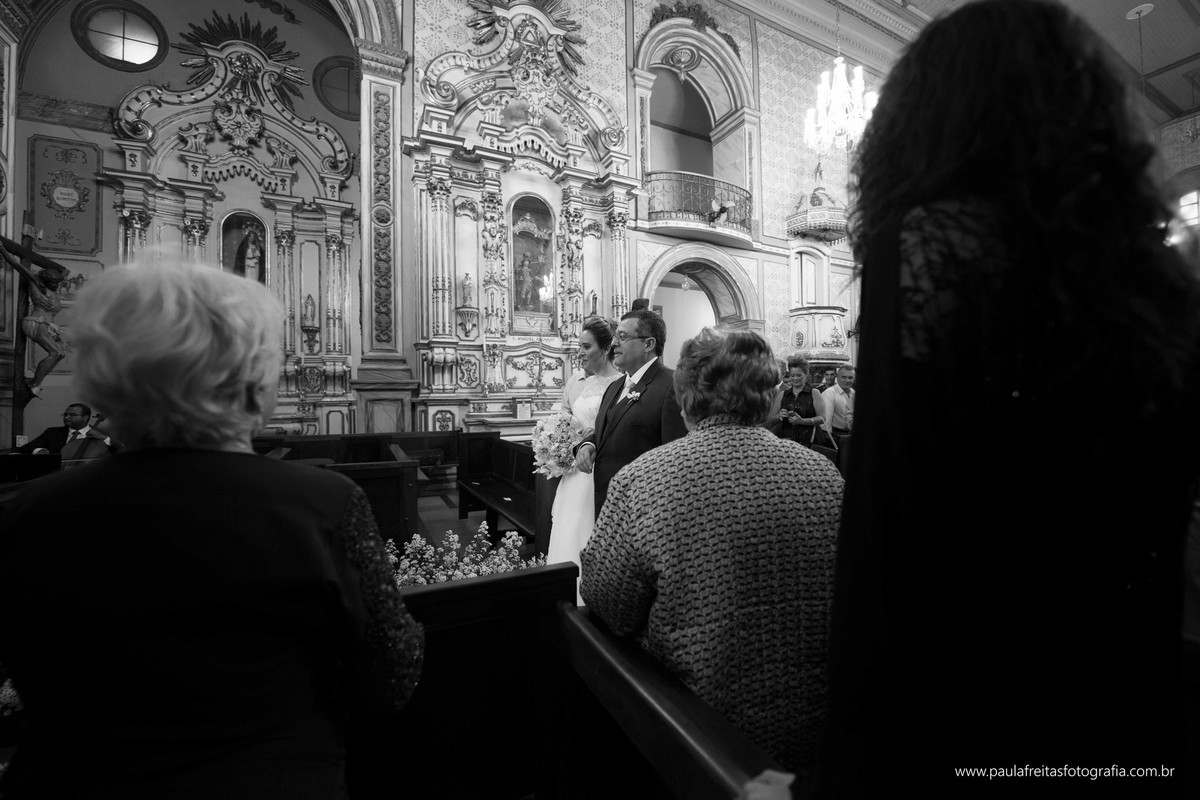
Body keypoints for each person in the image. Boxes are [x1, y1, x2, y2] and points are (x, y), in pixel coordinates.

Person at [818, 1, 1200, 797]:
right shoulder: (1150, 279)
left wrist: (845, 774)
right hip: (1130, 695)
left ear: (926, 118)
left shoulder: (931, 244)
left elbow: (890, 536)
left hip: (980, 706)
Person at [0, 258, 424, 798]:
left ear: (106, 381)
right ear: (251, 381)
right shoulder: (321, 504)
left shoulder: (29, 510)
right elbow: (391, 676)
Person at [581, 327, 842, 778]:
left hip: (698, 732)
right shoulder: (824, 474)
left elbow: (608, 603)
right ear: (773, 399)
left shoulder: (645, 478)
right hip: (818, 729)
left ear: (684, 397)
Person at [574, 308, 688, 518]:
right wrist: (589, 443)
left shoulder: (672, 386)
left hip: (643, 512)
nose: (614, 343)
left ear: (649, 344)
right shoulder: (615, 386)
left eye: (623, 337)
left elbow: (676, 458)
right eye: (616, 336)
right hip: (607, 507)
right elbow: (608, 430)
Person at [545, 316, 623, 600]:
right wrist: (555, 442)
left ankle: (588, 597)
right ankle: (561, 594)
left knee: (587, 530)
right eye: (579, 345)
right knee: (566, 528)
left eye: (586, 346)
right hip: (573, 474)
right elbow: (569, 420)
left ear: (606, 349)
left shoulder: (620, 385)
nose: (579, 352)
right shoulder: (584, 384)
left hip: (596, 472)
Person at [0, 242, 68, 398]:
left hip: (46, 325)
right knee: (55, 352)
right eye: (52, 283)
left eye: (57, 283)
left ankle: (35, 382)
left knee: (60, 354)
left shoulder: (54, 288)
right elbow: (17, 264)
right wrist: (3, 249)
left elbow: (64, 273)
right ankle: (35, 384)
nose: (56, 285)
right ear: (44, 281)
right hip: (35, 322)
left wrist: (63, 272)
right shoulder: (37, 284)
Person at [766, 355, 826, 447]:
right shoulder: (782, 394)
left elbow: (822, 418)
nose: (795, 378)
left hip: (809, 443)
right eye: (792, 375)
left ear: (806, 375)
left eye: (799, 375)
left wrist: (802, 421)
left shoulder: (814, 393)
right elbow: (771, 420)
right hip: (787, 443)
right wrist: (779, 416)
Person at [12, 403, 108, 457]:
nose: (67, 417)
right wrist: (39, 451)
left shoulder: (100, 434)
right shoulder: (52, 433)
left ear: (85, 417)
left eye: (72, 415)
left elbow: (119, 451)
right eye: (65, 414)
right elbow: (25, 449)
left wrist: (104, 438)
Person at [819, 365, 853, 446]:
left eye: (850, 378)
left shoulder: (854, 393)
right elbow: (826, 423)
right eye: (844, 377)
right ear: (837, 377)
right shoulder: (830, 393)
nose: (847, 380)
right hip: (836, 437)